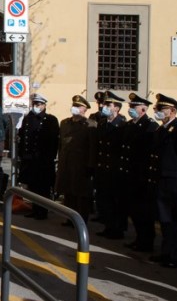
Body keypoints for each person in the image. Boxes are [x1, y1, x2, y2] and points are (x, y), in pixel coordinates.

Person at [147, 94, 177, 268]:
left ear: (172, 111)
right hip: (162, 183)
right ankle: (166, 253)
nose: (156, 111)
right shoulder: (162, 130)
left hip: (176, 185)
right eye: (157, 108)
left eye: (160, 109)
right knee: (165, 221)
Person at [122, 93, 159, 252]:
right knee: (134, 211)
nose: (130, 109)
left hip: (142, 176)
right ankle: (139, 238)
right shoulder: (130, 125)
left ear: (143, 109)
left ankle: (146, 241)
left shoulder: (150, 126)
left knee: (144, 212)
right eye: (130, 106)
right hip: (131, 175)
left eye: (133, 107)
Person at [55, 95, 98, 225]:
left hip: (81, 165)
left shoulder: (90, 124)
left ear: (85, 109)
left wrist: (91, 166)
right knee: (68, 194)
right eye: (74, 105)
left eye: (78, 106)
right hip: (66, 163)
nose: (74, 108)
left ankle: (81, 222)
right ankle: (69, 219)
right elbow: (60, 144)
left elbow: (92, 147)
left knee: (82, 196)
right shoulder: (64, 123)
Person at [17, 93, 60, 220]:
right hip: (30, 159)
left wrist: (49, 158)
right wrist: (23, 155)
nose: (36, 106)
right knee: (32, 187)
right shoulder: (28, 119)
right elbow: (23, 138)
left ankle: (43, 211)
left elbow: (53, 141)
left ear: (44, 106)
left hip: (43, 161)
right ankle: (35, 209)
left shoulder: (50, 120)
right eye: (35, 104)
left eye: (39, 104)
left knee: (43, 188)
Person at [95, 91, 127, 238]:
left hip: (115, 170)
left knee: (116, 201)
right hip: (103, 168)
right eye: (105, 104)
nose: (104, 106)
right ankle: (108, 226)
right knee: (104, 199)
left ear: (117, 108)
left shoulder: (122, 125)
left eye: (108, 104)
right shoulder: (102, 123)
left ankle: (117, 229)